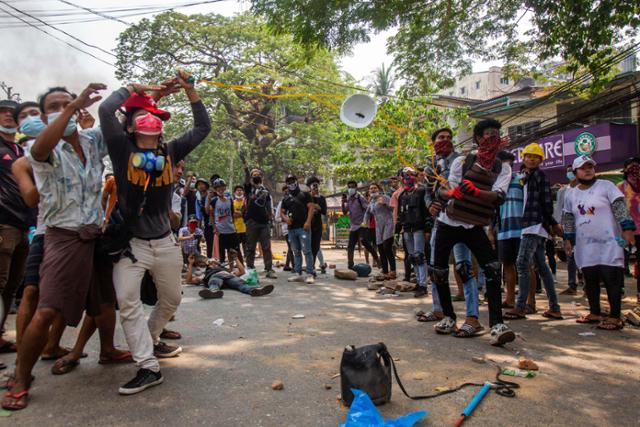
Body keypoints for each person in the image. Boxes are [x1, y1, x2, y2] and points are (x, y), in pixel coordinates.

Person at [4, 84, 130, 410]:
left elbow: (118, 123)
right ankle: (20, 378)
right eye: (55, 107)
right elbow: (40, 153)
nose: (63, 109)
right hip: (63, 236)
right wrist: (73, 105)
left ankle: (107, 350)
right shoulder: (42, 149)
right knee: (46, 307)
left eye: (67, 103)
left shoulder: (91, 140)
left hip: (94, 234)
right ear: (47, 116)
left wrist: (153, 93)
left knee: (104, 302)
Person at [98, 72, 211, 395]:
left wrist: (191, 91)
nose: (150, 119)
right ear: (130, 126)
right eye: (141, 116)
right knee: (128, 302)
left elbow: (203, 128)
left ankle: (153, 337)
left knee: (172, 299)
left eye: (155, 116)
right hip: (130, 245)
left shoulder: (172, 152)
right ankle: (147, 366)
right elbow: (106, 111)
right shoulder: (120, 150)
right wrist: (132, 89)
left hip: (165, 242)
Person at [429, 119, 515, 346]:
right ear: (478, 138)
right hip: (449, 222)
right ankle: (448, 316)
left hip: (475, 225)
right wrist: (449, 194)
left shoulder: (502, 168)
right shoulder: (462, 161)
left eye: (496, 134)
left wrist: (477, 192)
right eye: (487, 134)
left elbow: (499, 196)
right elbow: (450, 187)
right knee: (438, 270)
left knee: (492, 269)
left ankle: (496, 324)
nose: (492, 138)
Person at [563, 156, 635, 330]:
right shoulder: (570, 193)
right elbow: (568, 217)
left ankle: (615, 316)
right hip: (585, 244)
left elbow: (620, 207)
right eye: (583, 168)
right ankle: (595, 312)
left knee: (612, 277)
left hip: (609, 242)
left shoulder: (606, 186)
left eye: (590, 167)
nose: (588, 170)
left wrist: (627, 228)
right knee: (590, 277)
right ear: (575, 172)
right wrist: (568, 239)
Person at [423, 128, 481, 320]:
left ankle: (472, 316)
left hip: (461, 221)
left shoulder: (463, 161)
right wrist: (431, 204)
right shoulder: (430, 167)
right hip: (439, 222)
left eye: (449, 138)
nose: (446, 141)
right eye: (441, 138)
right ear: (433, 143)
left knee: (463, 267)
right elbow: (427, 193)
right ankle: (439, 309)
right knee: (436, 268)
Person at [504, 143, 562, 321]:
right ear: (524, 158)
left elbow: (546, 202)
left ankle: (520, 307)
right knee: (542, 268)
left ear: (540, 160)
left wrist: (550, 223)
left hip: (534, 225)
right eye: (528, 156)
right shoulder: (528, 177)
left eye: (535, 157)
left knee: (522, 264)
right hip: (531, 225)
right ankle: (555, 307)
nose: (531, 159)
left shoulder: (539, 176)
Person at [0, 99, 30, 357]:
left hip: (23, 225)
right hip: (3, 223)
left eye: (13, 113)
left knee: (12, 284)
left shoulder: (22, 150)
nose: (9, 116)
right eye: (3, 112)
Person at [495, 151, 523, 309]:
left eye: (509, 164)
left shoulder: (521, 180)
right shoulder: (496, 184)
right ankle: (510, 298)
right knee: (507, 265)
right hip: (503, 230)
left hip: (522, 229)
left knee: (526, 266)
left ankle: (529, 301)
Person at [397, 167, 430, 297]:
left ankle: (423, 284)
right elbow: (400, 214)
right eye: (405, 175)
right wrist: (397, 231)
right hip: (407, 229)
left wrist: (427, 229)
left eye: (410, 174)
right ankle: (418, 280)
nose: (407, 177)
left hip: (419, 228)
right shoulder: (402, 195)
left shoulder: (421, 191)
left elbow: (426, 211)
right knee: (412, 257)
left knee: (419, 256)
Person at [242, 163, 277, 278]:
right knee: (250, 247)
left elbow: (268, 204)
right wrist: (246, 169)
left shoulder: (265, 190)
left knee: (266, 247)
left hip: (264, 222)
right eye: (253, 175)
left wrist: (270, 219)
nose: (256, 176)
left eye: (258, 175)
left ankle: (269, 269)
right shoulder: (248, 189)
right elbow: (247, 178)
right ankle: (250, 269)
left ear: (261, 177)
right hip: (251, 222)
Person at [194, 249, 274, 299]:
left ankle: (254, 291)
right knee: (214, 282)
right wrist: (191, 264)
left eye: (215, 262)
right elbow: (190, 280)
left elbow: (242, 271)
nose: (213, 263)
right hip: (215, 277)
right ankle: (213, 292)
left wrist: (236, 258)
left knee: (240, 283)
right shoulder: (206, 273)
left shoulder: (226, 270)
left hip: (229, 277)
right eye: (211, 263)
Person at [281, 174, 316, 284]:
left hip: (303, 228)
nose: (291, 183)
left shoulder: (305, 195)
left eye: (292, 181)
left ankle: (310, 274)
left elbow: (311, 208)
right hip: (291, 229)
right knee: (296, 251)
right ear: (286, 184)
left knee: (307, 251)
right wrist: (286, 219)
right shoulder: (286, 199)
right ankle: (298, 273)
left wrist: (308, 222)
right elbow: (282, 212)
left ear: (296, 181)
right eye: (288, 182)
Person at [617, 156, 640, 305]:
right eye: (631, 167)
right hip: (623, 231)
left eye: (637, 167)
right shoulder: (620, 188)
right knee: (619, 262)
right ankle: (618, 290)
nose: (634, 170)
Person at [343, 180, 380, 269]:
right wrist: (343, 202)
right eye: (349, 187)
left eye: (352, 187)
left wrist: (366, 221)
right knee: (350, 246)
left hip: (362, 225)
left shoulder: (360, 198)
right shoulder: (349, 199)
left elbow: (368, 209)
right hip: (353, 226)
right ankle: (350, 265)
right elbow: (345, 212)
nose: (350, 189)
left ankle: (378, 260)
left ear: (356, 188)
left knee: (364, 242)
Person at [363, 182, 396, 279]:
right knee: (381, 249)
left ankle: (393, 270)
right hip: (378, 227)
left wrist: (385, 203)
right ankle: (385, 271)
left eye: (375, 188)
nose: (373, 190)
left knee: (387, 247)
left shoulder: (385, 197)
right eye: (371, 188)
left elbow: (393, 208)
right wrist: (365, 222)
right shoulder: (372, 202)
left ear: (379, 189)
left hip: (388, 224)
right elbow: (367, 213)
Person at [556, 165, 580, 295]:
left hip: (583, 226)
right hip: (568, 227)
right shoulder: (563, 191)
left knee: (584, 255)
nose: (570, 173)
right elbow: (559, 209)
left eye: (572, 171)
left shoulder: (584, 188)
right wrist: (557, 225)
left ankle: (587, 285)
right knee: (570, 256)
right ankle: (572, 285)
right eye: (568, 171)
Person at [211, 178, 240, 263]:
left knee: (232, 251)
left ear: (224, 188)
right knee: (221, 252)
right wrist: (214, 228)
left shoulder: (229, 200)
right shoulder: (214, 201)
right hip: (221, 230)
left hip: (230, 229)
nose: (220, 190)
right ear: (215, 190)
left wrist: (234, 226)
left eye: (222, 188)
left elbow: (232, 213)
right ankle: (222, 268)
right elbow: (211, 215)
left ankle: (231, 268)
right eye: (218, 189)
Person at [306, 176, 327, 273]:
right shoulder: (306, 196)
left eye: (316, 185)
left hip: (318, 225)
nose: (315, 187)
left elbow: (324, 211)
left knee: (315, 247)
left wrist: (318, 207)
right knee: (308, 247)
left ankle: (312, 268)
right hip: (308, 224)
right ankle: (311, 266)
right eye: (313, 185)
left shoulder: (322, 198)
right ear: (309, 187)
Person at [195, 177, 214, 258]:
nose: (201, 186)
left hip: (214, 222)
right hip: (206, 223)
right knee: (209, 243)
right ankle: (210, 261)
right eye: (199, 185)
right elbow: (199, 215)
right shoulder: (198, 199)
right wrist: (199, 230)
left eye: (202, 184)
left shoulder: (212, 195)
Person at [275, 185, 293, 271]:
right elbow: (277, 217)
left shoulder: (294, 201)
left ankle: (287, 265)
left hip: (295, 227)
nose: (287, 192)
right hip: (286, 228)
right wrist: (286, 220)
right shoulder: (281, 203)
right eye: (285, 191)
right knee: (292, 247)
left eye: (288, 191)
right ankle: (294, 266)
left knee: (292, 247)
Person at [233, 185, 248, 258]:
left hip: (245, 227)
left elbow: (246, 213)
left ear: (243, 192)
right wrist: (241, 213)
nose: (239, 192)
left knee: (246, 245)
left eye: (241, 190)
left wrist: (238, 213)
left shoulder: (246, 202)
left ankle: (246, 258)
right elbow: (232, 214)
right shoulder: (232, 203)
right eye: (237, 190)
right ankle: (238, 259)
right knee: (236, 246)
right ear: (234, 192)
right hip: (235, 228)